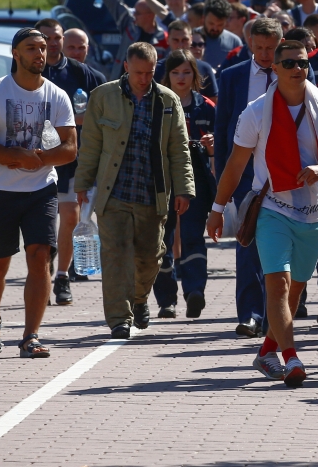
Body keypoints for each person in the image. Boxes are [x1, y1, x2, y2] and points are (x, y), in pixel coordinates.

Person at [207, 40, 318, 387]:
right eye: (288, 63)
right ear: (274, 68)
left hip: (313, 209)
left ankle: (267, 351)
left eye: (302, 63)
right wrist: (216, 208)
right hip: (272, 207)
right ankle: (292, 359)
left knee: (294, 292)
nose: (296, 69)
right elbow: (234, 165)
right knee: (278, 286)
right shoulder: (256, 112)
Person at [75, 42, 195, 339]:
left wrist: (184, 189)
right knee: (115, 256)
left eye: (150, 72)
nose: (144, 78)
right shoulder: (103, 96)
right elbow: (90, 145)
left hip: (152, 193)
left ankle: (140, 298)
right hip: (112, 192)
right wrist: (82, 184)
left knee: (150, 257)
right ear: (126, 66)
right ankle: (119, 319)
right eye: (138, 72)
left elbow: (178, 149)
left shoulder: (168, 101)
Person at [0, 28, 77, 358]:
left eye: (43, 48)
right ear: (15, 54)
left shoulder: (57, 96)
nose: (40, 54)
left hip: (41, 190)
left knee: (40, 257)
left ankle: (31, 336)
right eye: (31, 48)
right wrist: (16, 157)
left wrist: (41, 160)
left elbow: (71, 147)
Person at [215, 18, 284, 338]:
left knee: (285, 246)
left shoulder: (295, 72)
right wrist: (223, 178)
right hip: (246, 174)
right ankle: (251, 314)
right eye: (260, 48)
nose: (266, 55)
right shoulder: (231, 78)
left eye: (272, 48)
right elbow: (222, 127)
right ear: (250, 46)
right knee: (247, 244)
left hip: (286, 173)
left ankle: (278, 313)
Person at [35, 19, 105, 302]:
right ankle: (47, 260)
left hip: (73, 158)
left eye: (57, 38)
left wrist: (75, 122)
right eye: (46, 38)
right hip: (37, 159)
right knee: (42, 222)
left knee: (71, 216)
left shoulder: (83, 74)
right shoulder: (27, 72)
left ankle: (62, 277)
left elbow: (101, 114)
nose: (53, 43)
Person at [152, 50, 217, 319]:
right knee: (160, 240)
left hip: (196, 180)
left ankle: (194, 292)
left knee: (192, 236)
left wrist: (212, 148)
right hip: (162, 179)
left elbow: (222, 148)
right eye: (175, 72)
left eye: (187, 72)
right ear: (167, 76)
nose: (181, 78)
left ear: (195, 75)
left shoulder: (207, 107)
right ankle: (167, 300)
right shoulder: (157, 103)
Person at [94, 0, 168, 79]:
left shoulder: (163, 39)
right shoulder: (130, 26)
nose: (134, 15)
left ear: (150, 15)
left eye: (138, 13)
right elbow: (115, 3)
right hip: (121, 88)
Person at [154, 20, 218, 99]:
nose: (180, 45)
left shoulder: (205, 69)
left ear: (191, 39)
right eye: (175, 40)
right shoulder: (157, 69)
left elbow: (213, 102)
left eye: (185, 40)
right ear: (168, 40)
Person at [198, 0, 242, 70]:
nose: (215, 28)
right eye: (211, 23)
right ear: (203, 18)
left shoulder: (235, 42)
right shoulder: (189, 38)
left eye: (220, 25)